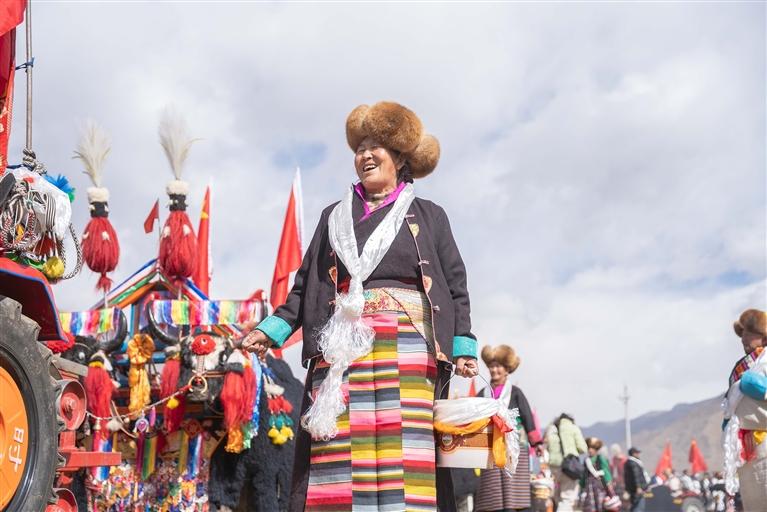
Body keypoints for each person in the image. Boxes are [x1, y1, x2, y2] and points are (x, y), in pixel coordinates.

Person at [242, 101, 479, 512]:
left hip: (409, 348)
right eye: (360, 148)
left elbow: (456, 286)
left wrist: (462, 347)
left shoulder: (429, 216)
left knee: (405, 444)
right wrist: (271, 330)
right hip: (342, 346)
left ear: (399, 158)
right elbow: (305, 286)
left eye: (376, 147)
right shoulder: (334, 218)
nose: (365, 155)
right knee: (340, 441)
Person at [475, 344, 544, 512]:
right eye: (491, 366)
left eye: (498, 366)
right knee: (492, 494)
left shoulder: (516, 392)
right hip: (490, 448)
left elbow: (527, 417)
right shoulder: (483, 393)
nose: (494, 370)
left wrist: (536, 443)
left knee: (514, 492)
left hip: (514, 447)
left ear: (507, 369)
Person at [722, 308, 767, 512]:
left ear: (763, 336)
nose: (743, 339)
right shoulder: (746, 366)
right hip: (748, 449)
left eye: (748, 333)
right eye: (742, 334)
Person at [545, 413, 587, 512]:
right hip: (569, 467)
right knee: (567, 498)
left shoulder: (551, 429)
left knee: (558, 497)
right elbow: (582, 448)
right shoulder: (573, 428)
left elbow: (547, 446)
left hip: (554, 467)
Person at [580, 437, 613, 512]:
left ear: (596, 449)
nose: (590, 450)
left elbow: (605, 470)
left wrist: (609, 483)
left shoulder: (600, 458)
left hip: (600, 485)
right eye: (589, 448)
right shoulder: (586, 460)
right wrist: (581, 485)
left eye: (592, 448)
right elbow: (584, 474)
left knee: (601, 504)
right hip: (589, 486)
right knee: (590, 506)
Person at [624, 446, 649, 512]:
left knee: (635, 506)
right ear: (633, 453)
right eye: (637, 452)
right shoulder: (633, 463)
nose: (638, 454)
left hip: (633, 490)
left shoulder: (629, 462)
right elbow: (636, 475)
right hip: (637, 491)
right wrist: (638, 487)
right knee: (639, 507)